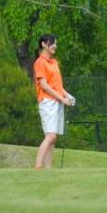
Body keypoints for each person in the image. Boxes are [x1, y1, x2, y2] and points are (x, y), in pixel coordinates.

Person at [32, 33, 75, 170]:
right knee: (50, 136)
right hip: (47, 102)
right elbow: (44, 85)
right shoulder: (40, 62)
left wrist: (68, 96)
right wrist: (62, 98)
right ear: (44, 44)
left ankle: (48, 169)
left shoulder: (54, 62)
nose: (55, 45)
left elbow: (57, 85)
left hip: (57, 101)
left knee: (53, 138)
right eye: (53, 42)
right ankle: (38, 166)